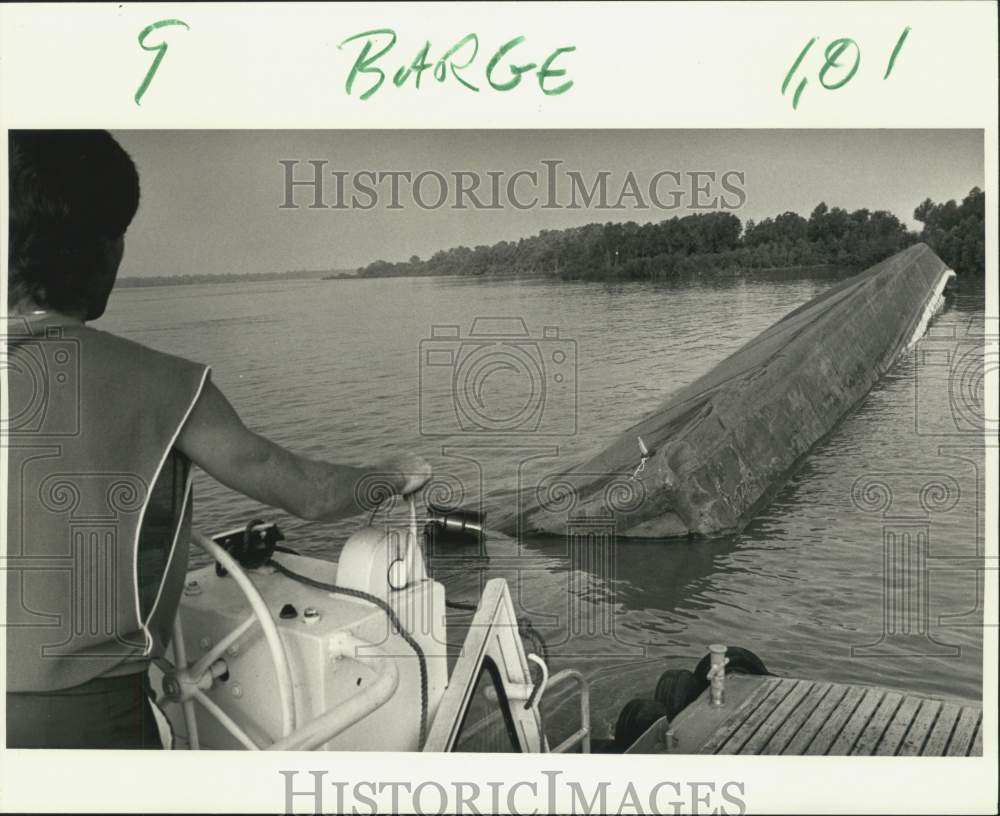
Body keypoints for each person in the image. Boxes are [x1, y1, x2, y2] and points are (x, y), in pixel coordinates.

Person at [4, 130, 431, 749]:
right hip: (87, 720)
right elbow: (308, 495)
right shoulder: (163, 384)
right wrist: (392, 472)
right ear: (106, 247)